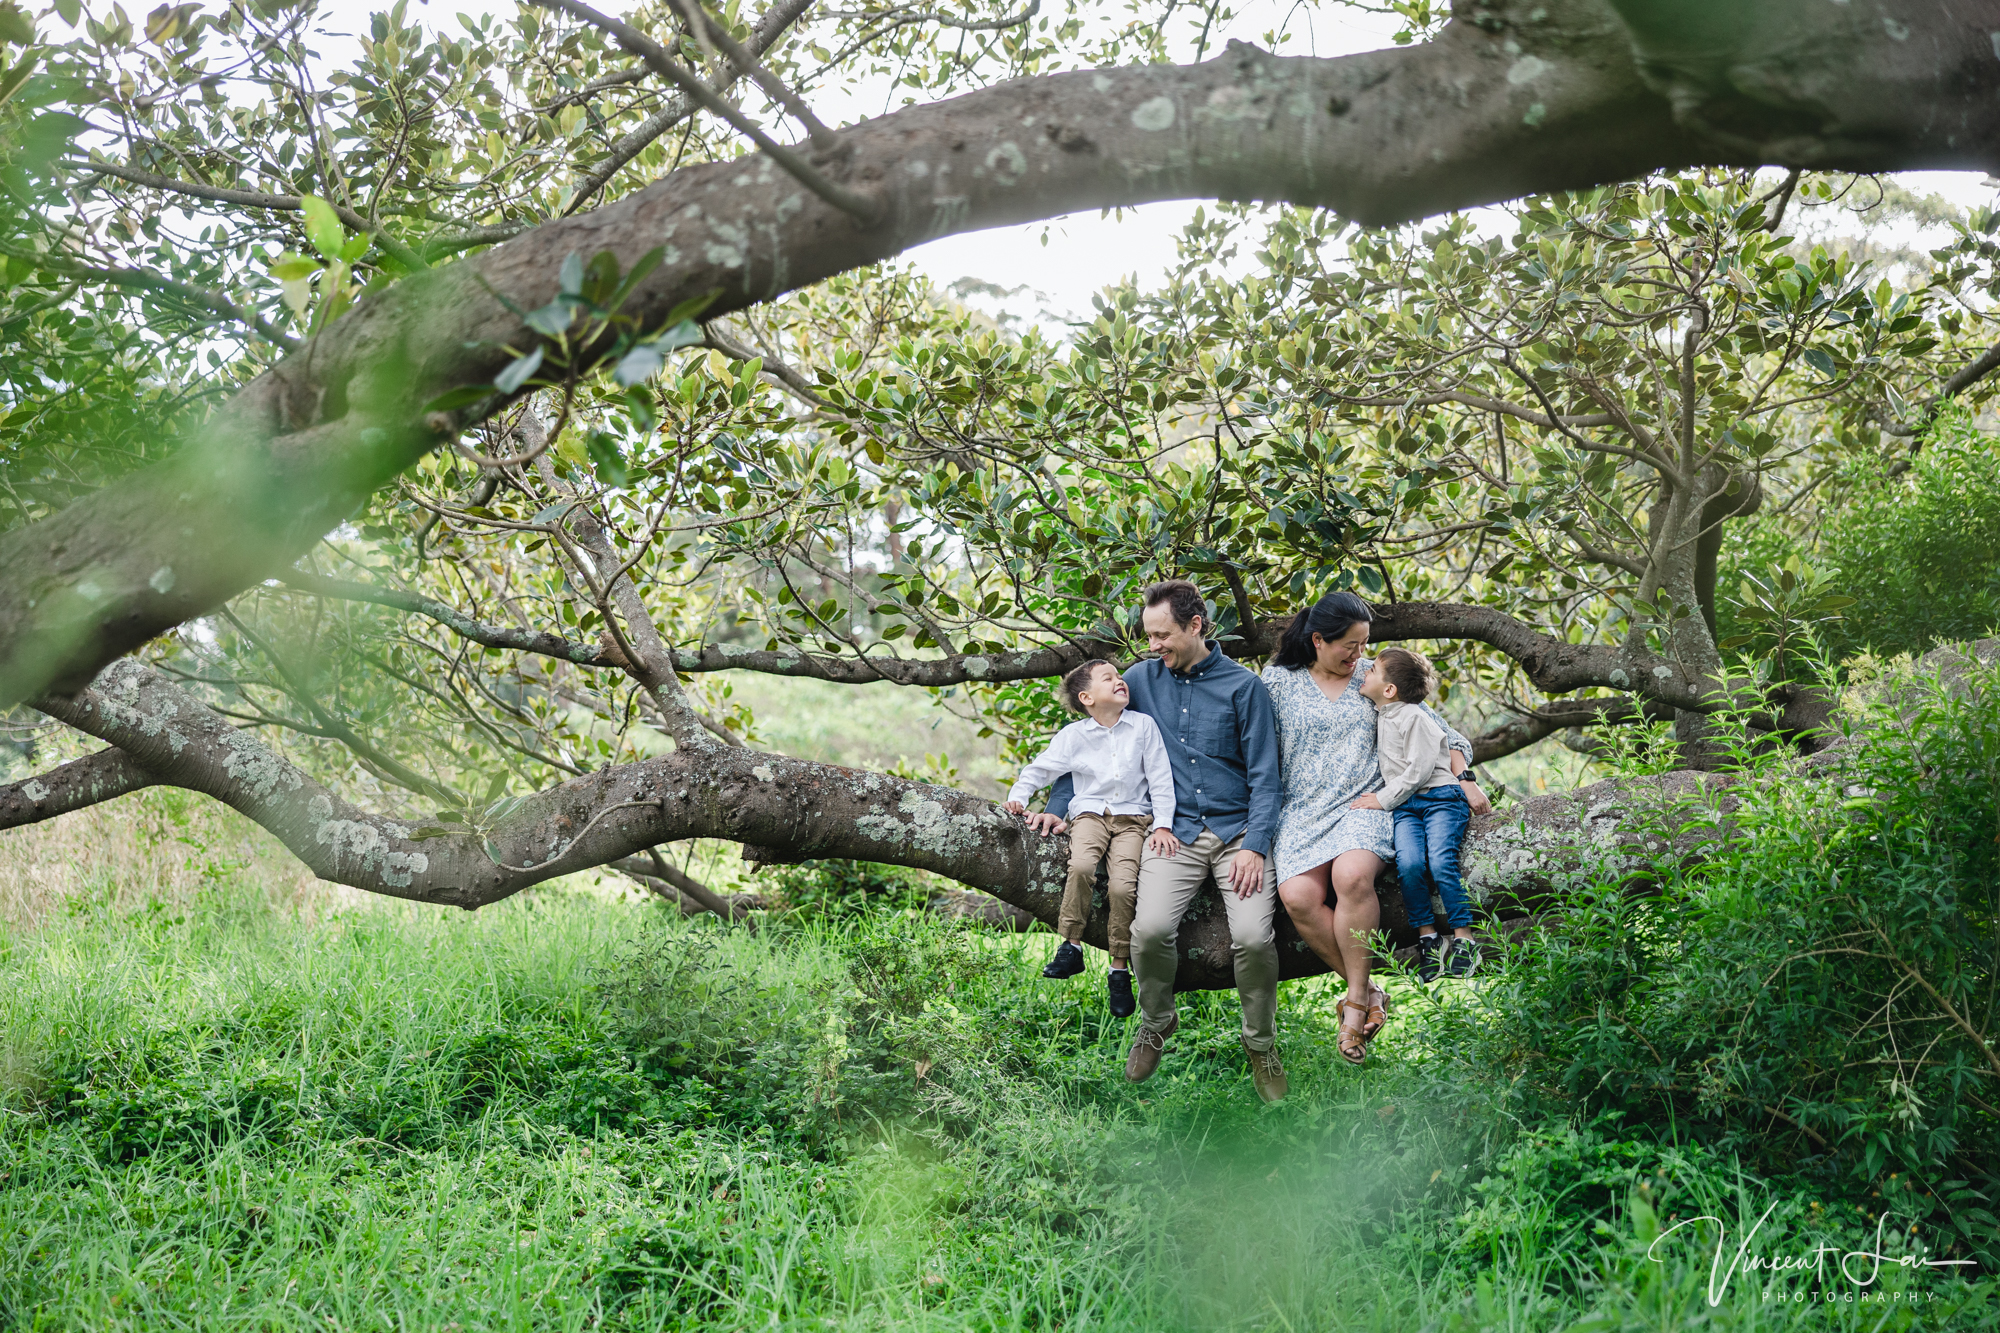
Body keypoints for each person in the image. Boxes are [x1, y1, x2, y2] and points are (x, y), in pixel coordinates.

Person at [1030, 580, 1288, 1103]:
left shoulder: (1245, 688)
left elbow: (1267, 778)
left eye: (1161, 635)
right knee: (1147, 932)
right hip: (1174, 831)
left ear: (1195, 626)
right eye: (1148, 636)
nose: (1153, 646)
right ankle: (1157, 1022)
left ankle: (1260, 1044)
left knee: (1255, 939)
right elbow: (1090, 750)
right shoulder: (1137, 681)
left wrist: (1257, 845)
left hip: (1239, 832)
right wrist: (1057, 810)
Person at [1261, 592, 1490, 1065]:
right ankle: (1368, 992)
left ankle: (1353, 1012)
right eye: (1350, 645)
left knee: (1351, 877)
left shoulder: (1372, 682)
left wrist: (1465, 779)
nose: (1359, 656)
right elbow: (1253, 747)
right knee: (1298, 898)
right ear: (1318, 640)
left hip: (1367, 804)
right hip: (1300, 810)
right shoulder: (1278, 682)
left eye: (1365, 644)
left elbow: (1447, 736)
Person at [1004, 659, 1179, 1017]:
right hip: (1089, 815)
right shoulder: (1074, 736)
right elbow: (1042, 767)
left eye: (1119, 676)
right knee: (1082, 866)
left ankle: (1118, 969)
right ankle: (1070, 945)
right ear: (1087, 697)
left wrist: (1162, 823)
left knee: (1122, 887)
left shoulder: (1143, 727)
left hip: (1133, 820)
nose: (1120, 681)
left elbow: (1161, 779)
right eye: (1109, 678)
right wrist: (1020, 793)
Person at [1354, 647, 1480, 983]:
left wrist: (1382, 799)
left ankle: (1464, 938)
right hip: (1407, 806)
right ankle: (1428, 938)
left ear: (1390, 689)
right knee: (1409, 865)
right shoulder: (1382, 711)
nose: (1364, 673)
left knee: (1440, 862)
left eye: (1372, 671)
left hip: (1439, 797)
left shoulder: (1415, 717)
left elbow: (1421, 769)